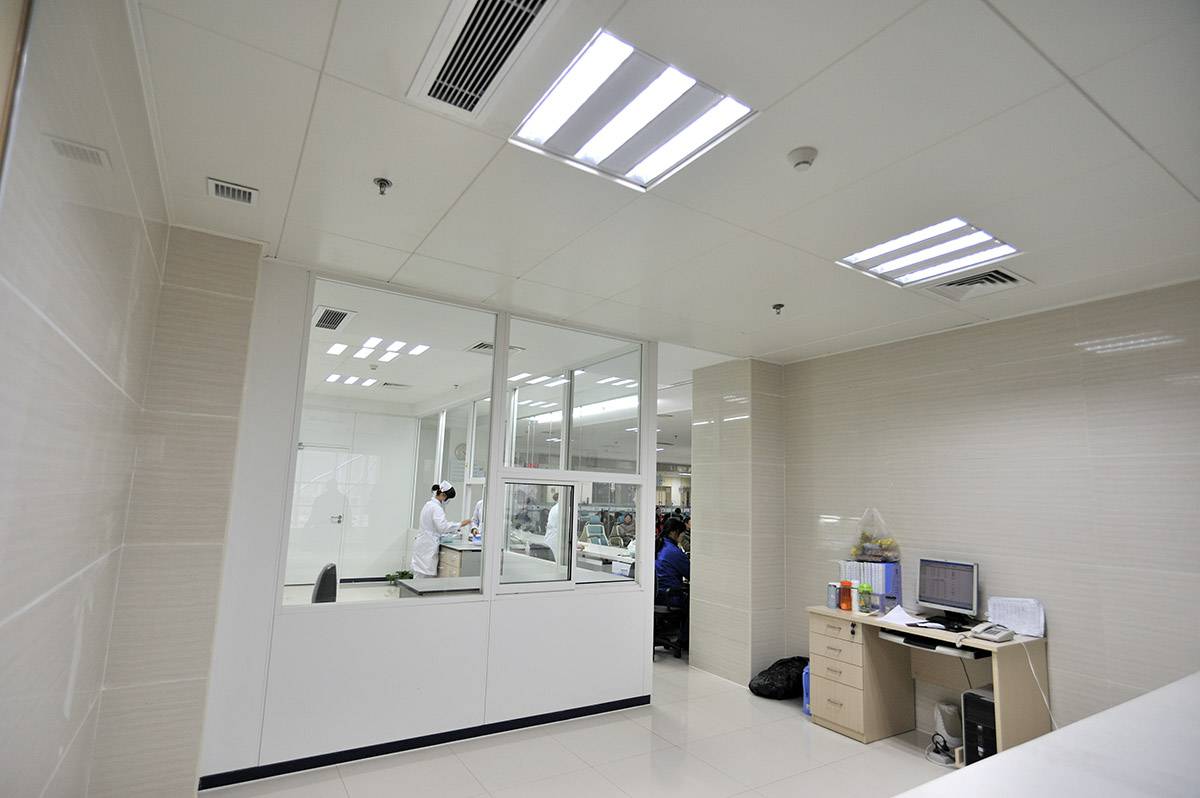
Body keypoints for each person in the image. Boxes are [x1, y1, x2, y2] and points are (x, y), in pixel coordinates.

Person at [412, 481, 470, 578]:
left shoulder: (428, 504)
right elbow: (443, 527)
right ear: (443, 495)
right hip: (428, 545)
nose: (448, 501)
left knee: (419, 576)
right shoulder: (436, 508)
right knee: (424, 579)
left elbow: (435, 526)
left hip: (423, 543)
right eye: (448, 498)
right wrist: (460, 524)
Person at [655, 517, 690, 606]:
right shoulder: (674, 551)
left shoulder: (659, 545)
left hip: (656, 596)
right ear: (674, 532)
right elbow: (691, 574)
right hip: (670, 598)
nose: (683, 536)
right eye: (682, 533)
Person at [543, 490, 562, 562]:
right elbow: (568, 528)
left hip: (550, 539)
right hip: (556, 540)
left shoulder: (554, 508)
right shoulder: (564, 509)